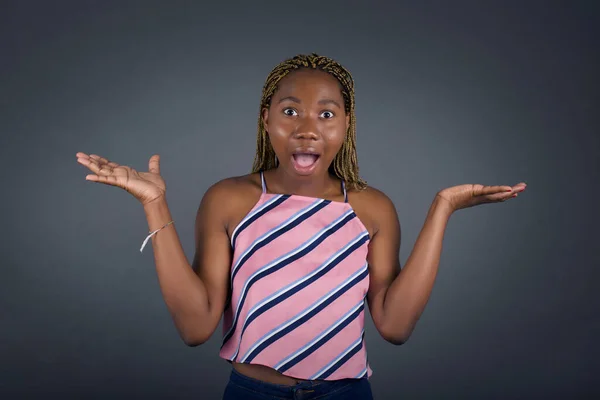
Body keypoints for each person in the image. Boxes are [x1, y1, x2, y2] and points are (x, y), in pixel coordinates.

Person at [75, 53, 526, 399]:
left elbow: (395, 325)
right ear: (266, 120)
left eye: (326, 114)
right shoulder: (229, 199)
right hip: (253, 392)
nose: (308, 128)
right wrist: (155, 204)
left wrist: (441, 209)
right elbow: (195, 327)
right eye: (291, 111)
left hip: (345, 393)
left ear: (346, 126)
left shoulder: (372, 208)